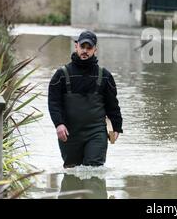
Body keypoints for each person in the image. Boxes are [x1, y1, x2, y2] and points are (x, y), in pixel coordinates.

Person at [48, 30, 123, 168]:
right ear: (76, 46)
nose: (85, 51)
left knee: (94, 170)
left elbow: (113, 105)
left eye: (89, 48)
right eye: (82, 47)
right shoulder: (61, 75)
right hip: (69, 134)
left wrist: (117, 127)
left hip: (96, 133)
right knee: (71, 172)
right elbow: (54, 103)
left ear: (95, 50)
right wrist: (59, 124)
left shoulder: (105, 76)